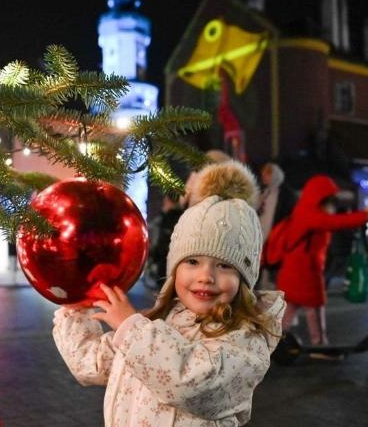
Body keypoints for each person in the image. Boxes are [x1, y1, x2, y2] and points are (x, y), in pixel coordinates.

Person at [52, 161, 285, 426]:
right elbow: (92, 363)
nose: (206, 277)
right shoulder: (158, 323)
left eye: (224, 265)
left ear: (244, 277)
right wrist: (75, 306)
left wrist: (130, 328)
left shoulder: (245, 340)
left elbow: (190, 382)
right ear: (174, 269)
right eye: (192, 262)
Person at [271, 175, 368, 348]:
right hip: (304, 272)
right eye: (330, 200)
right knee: (314, 307)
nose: (333, 205)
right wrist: (364, 216)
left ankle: (274, 343)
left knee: (291, 309)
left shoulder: (303, 211)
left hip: (296, 270)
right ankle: (319, 345)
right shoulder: (310, 214)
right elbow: (334, 222)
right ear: (320, 198)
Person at [146, 194, 184, 291]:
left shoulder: (168, 217)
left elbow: (162, 239)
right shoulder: (183, 216)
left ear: (168, 201)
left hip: (164, 259)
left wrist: (154, 254)